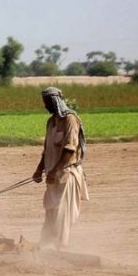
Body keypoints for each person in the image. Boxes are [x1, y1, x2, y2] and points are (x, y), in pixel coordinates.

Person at [32, 86, 89, 250]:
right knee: (51, 211)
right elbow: (46, 150)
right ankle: (44, 245)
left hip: (66, 174)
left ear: (55, 101)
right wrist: (39, 170)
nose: (45, 106)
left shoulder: (70, 119)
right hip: (52, 175)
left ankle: (60, 247)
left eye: (47, 102)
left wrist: (56, 171)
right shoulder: (51, 122)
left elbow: (70, 149)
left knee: (62, 213)